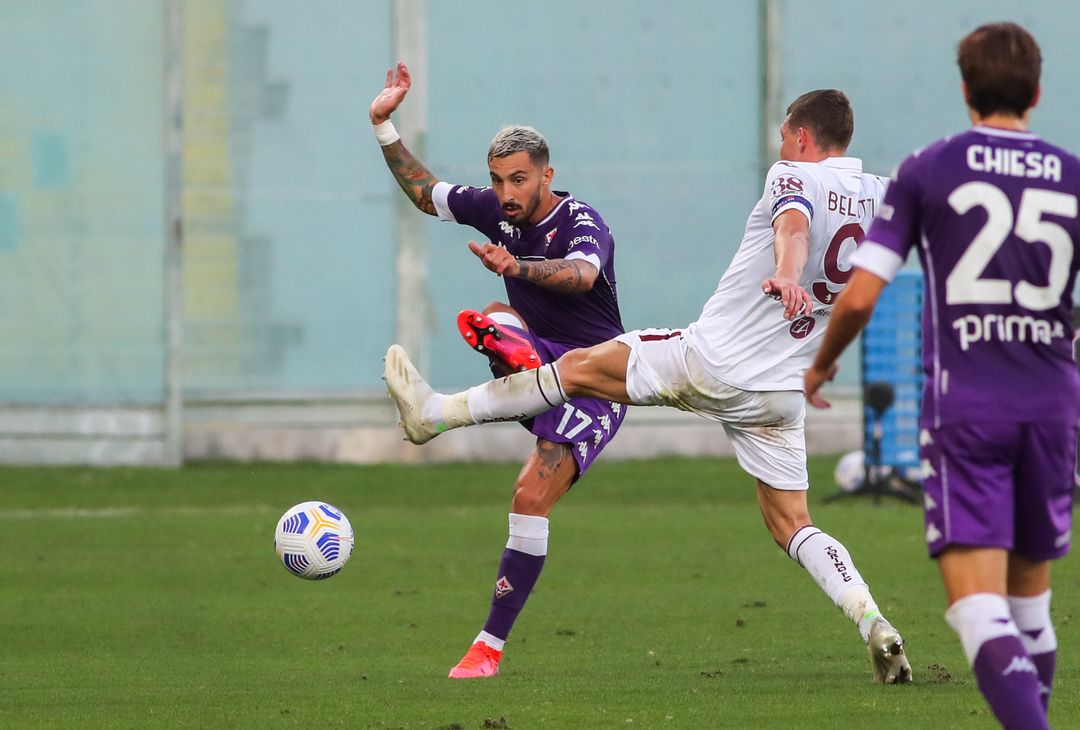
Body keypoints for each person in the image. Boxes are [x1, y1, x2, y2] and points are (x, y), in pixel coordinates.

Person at [385, 89, 913, 683]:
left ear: (801, 137)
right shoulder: (883, 196)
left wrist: (787, 272)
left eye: (785, 133)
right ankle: (874, 623)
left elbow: (792, 225)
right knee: (794, 523)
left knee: (581, 369)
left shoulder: (790, 174)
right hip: (780, 390)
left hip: (712, 359)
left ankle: (437, 414)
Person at [804, 23, 1079, 728]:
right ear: (1038, 92)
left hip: (970, 410)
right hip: (1053, 409)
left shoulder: (932, 167)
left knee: (975, 606)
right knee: (1029, 606)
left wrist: (824, 360)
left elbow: (862, 293)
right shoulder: (1072, 176)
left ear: (964, 91)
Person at [370, 62, 628, 678]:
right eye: (498, 181)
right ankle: (509, 356)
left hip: (597, 381)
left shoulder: (581, 221)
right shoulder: (498, 212)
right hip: (542, 362)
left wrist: (517, 269)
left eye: (519, 179)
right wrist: (383, 126)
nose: (507, 193)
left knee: (528, 495)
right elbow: (424, 192)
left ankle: (488, 647)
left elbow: (582, 275)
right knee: (493, 314)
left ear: (547, 174)